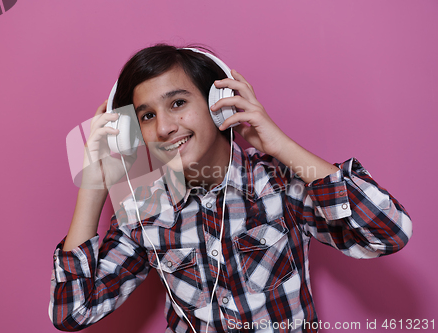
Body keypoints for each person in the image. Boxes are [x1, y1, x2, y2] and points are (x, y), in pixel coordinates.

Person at [49, 44, 412, 333]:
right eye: (146, 116)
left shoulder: (280, 183)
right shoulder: (145, 210)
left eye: (178, 103)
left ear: (218, 106)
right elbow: (72, 312)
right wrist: (94, 184)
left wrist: (278, 144)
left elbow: (387, 233)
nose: (163, 128)